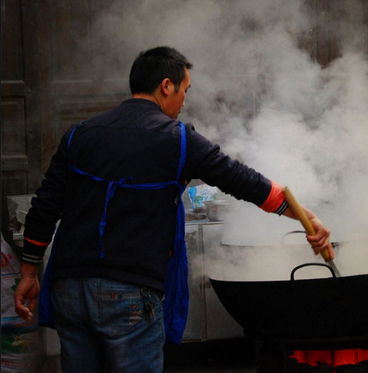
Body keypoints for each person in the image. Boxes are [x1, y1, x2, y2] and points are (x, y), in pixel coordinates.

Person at [14, 46, 333, 373]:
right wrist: (305, 217)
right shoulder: (178, 139)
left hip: (70, 288)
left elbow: (44, 206)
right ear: (167, 86)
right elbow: (241, 181)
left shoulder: (78, 135)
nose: (184, 100)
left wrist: (28, 273)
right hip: (128, 292)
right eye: (185, 90)